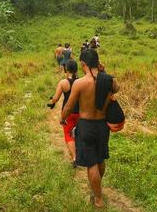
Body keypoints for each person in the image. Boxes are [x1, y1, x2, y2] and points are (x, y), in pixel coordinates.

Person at [61, 49, 120, 208]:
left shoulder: (80, 83)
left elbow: (69, 106)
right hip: (102, 125)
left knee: (91, 163)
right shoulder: (109, 81)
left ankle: (98, 199)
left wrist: (62, 118)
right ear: (98, 62)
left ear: (83, 63)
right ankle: (97, 187)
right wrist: (104, 71)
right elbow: (116, 88)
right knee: (100, 158)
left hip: (86, 125)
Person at [47, 59, 80, 166]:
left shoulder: (63, 83)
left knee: (68, 134)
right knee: (79, 133)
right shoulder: (81, 81)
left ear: (67, 69)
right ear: (76, 69)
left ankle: (75, 158)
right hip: (81, 112)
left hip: (67, 113)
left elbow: (56, 98)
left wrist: (51, 102)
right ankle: (80, 153)